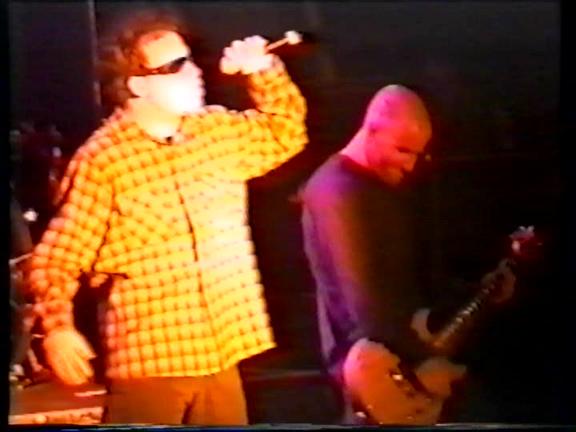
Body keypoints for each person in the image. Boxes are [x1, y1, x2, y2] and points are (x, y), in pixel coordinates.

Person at [25, 8, 307, 425]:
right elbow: (57, 259)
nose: (195, 72)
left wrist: (263, 71)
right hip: (152, 363)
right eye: (176, 66)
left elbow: (286, 132)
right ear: (138, 84)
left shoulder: (213, 132)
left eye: (191, 60)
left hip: (221, 350)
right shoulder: (104, 160)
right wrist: (58, 328)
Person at [299, 85, 514, 425]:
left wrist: (474, 291)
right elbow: (368, 308)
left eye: (418, 155)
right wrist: (425, 361)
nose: (410, 165)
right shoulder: (338, 192)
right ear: (371, 129)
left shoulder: (379, 187)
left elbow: (411, 285)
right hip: (378, 379)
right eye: (402, 150)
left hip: (400, 365)